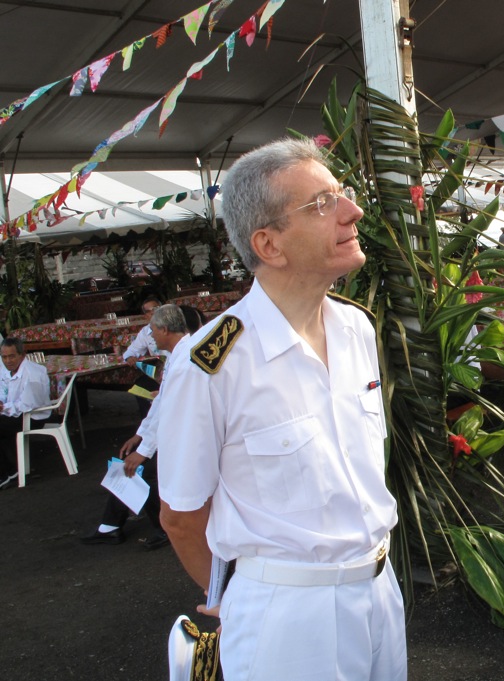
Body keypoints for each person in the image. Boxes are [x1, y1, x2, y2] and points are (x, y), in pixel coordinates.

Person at [157, 138, 406, 681]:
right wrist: (232, 597)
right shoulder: (212, 363)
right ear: (268, 244)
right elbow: (180, 516)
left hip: (381, 590)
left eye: (341, 194)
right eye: (322, 204)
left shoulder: (355, 327)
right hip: (288, 614)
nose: (352, 212)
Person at [80, 305, 201, 549]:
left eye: (153, 330)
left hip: (190, 436)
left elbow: (168, 409)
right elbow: (160, 403)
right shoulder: (175, 356)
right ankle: (110, 526)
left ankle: (163, 528)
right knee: (127, 462)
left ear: (165, 330)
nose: (151, 335)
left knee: (139, 469)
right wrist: (140, 436)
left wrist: (144, 451)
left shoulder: (185, 358)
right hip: (175, 432)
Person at [0, 338, 51, 489]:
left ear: (22, 355)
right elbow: (3, 391)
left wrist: (3, 407)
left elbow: (27, 405)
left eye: (12, 356)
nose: (8, 361)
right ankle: (11, 471)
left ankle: (5, 474)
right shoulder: (5, 370)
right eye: (4, 357)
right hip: (13, 413)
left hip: (34, 416)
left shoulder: (33, 373)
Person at [122, 295, 163, 361]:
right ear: (145, 316)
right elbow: (132, 351)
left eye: (155, 309)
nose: (152, 312)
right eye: (148, 311)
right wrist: (129, 358)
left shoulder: (175, 325)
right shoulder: (145, 332)